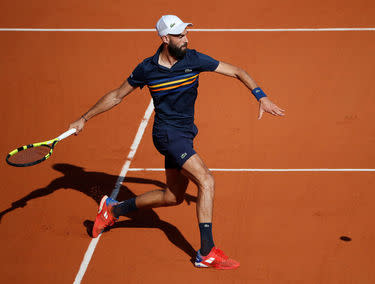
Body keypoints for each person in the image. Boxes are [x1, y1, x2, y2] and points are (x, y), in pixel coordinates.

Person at [69, 15, 285, 270]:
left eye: (185, 34)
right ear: (165, 39)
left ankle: (112, 211)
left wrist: (261, 96)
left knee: (172, 196)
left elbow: (237, 71)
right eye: (180, 36)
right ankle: (206, 252)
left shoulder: (193, 59)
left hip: (185, 133)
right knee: (206, 180)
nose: (186, 39)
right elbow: (116, 95)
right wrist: (83, 118)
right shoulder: (146, 69)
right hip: (168, 135)